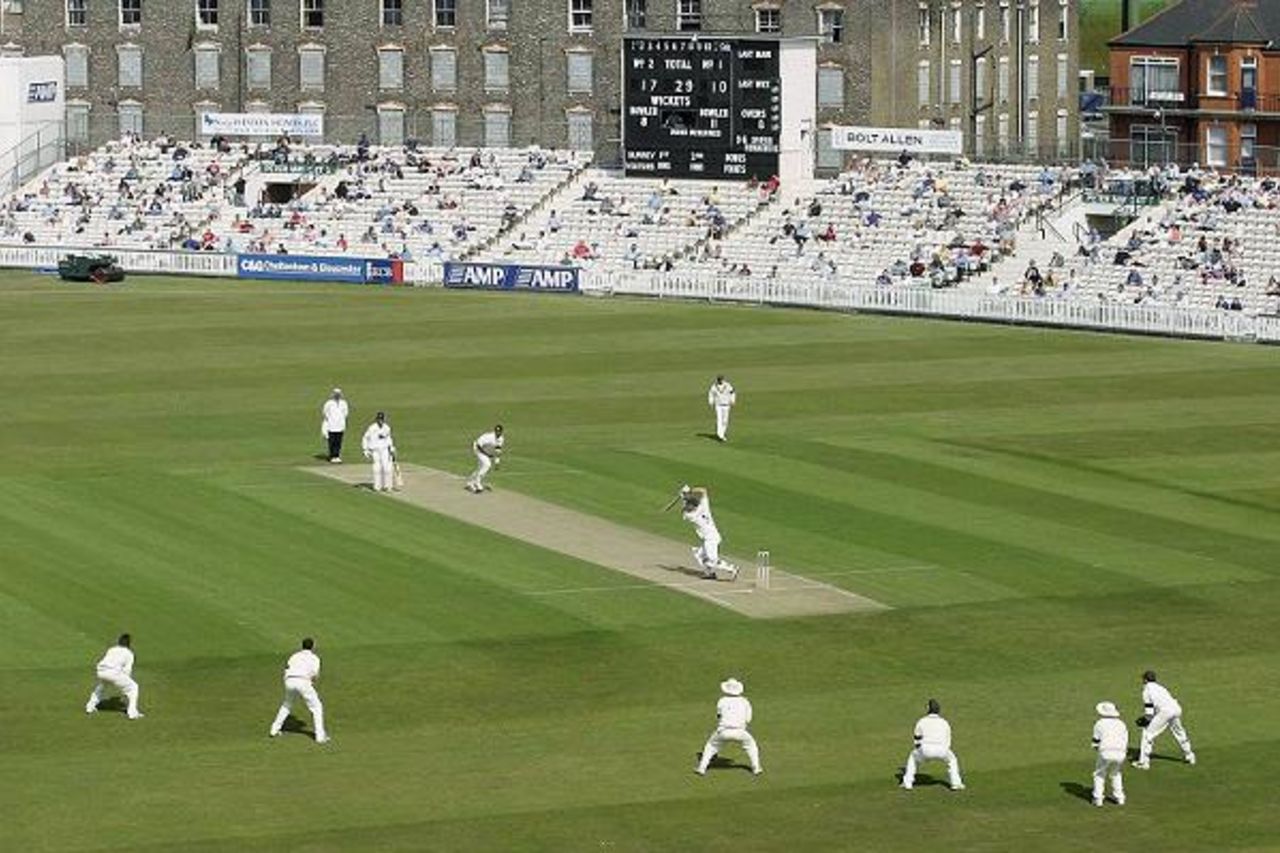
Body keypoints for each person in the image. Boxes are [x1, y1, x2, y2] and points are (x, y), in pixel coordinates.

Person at [695, 677, 762, 776]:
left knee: (711, 746)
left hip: (723, 731)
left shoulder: (722, 700)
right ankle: (756, 767)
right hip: (740, 732)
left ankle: (702, 768)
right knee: (751, 746)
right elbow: (748, 719)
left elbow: (718, 716)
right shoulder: (745, 701)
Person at [269, 637, 329, 744]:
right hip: (303, 681)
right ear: (313, 646)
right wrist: (310, 683)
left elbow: (286, 668)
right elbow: (315, 675)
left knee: (287, 704)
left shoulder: (294, 656)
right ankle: (320, 737)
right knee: (316, 707)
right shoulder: (315, 658)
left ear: (302, 646)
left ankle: (274, 730)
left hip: (289, 681)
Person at [1134, 670, 1195, 768]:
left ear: (1145, 680)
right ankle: (1190, 755)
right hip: (1176, 708)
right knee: (1179, 732)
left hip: (1165, 712)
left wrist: (1145, 721)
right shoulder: (1161, 687)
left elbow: (1149, 712)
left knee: (1147, 733)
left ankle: (1143, 762)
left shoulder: (1146, 690)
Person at [900, 698, 963, 791]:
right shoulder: (944, 722)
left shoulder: (922, 721)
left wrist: (920, 751)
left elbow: (917, 738)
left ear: (928, 709)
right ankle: (956, 783)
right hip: (942, 749)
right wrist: (944, 750)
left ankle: (907, 783)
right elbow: (948, 738)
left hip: (925, 749)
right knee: (952, 760)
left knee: (912, 757)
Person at [679, 485, 737, 580]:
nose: (687, 507)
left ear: (692, 506)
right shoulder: (704, 506)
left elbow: (684, 509)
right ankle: (710, 573)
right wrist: (690, 491)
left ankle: (732, 568)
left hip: (711, 539)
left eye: (688, 506)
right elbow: (704, 491)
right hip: (712, 536)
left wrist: (684, 495)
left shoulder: (691, 516)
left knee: (712, 560)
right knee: (699, 554)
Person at [85, 633, 144, 719]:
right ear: (129, 644)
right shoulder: (129, 654)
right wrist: (125, 686)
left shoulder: (111, 649)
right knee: (134, 687)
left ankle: (90, 707)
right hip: (113, 673)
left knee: (102, 686)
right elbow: (127, 671)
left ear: (119, 642)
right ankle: (132, 713)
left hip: (101, 671)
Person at [1091, 701, 1128, 807]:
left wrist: (1099, 750)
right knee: (1116, 773)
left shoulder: (1099, 723)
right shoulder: (1122, 724)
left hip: (1105, 751)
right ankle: (1120, 798)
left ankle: (1098, 798)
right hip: (1121, 752)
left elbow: (1095, 742)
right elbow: (1125, 740)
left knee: (1099, 773)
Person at [361, 411, 396, 493]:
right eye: (379, 419)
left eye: (381, 419)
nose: (380, 421)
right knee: (377, 467)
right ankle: (377, 486)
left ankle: (388, 486)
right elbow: (365, 438)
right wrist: (365, 449)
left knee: (387, 468)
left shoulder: (387, 428)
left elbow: (389, 438)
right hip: (375, 450)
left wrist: (391, 447)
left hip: (384, 450)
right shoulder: (372, 428)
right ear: (376, 419)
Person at [466, 424, 504, 493]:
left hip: (485, 450)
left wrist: (497, 463)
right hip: (477, 448)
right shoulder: (488, 437)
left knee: (480, 467)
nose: (497, 433)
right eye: (496, 431)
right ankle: (478, 483)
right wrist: (487, 454)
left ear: (501, 432)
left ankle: (470, 482)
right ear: (494, 431)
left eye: (499, 432)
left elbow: (498, 451)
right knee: (487, 464)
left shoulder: (501, 439)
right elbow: (478, 445)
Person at [321, 388, 349, 463]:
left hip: (340, 425)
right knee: (332, 441)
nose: (337, 395)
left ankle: (337, 456)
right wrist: (330, 420)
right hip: (331, 425)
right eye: (336, 394)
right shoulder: (329, 403)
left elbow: (345, 413)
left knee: (338, 441)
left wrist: (341, 421)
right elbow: (325, 413)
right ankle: (332, 456)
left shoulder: (344, 403)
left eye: (338, 394)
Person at [707, 375, 736, 442]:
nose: (720, 381)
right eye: (719, 380)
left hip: (726, 405)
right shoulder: (714, 386)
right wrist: (711, 401)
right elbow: (711, 394)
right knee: (719, 419)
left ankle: (722, 433)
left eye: (721, 380)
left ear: (723, 380)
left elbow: (732, 392)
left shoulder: (728, 385)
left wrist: (733, 400)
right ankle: (720, 435)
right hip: (718, 405)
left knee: (725, 421)